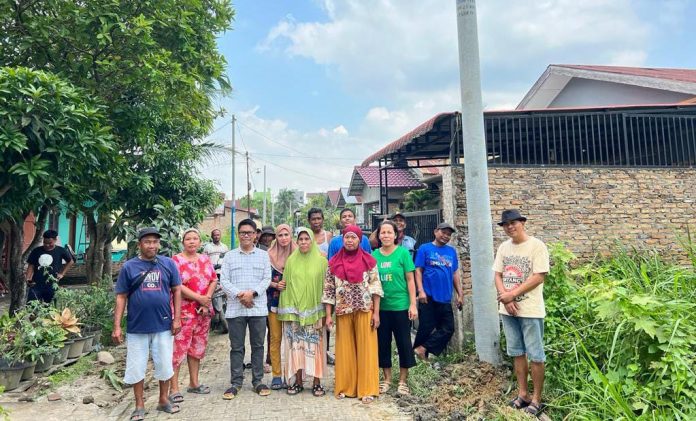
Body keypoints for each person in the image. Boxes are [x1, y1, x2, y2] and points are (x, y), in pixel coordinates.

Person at [112, 227, 182, 420]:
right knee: (136, 366)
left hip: (163, 325)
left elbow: (177, 290)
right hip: (137, 326)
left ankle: (163, 400)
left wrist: (177, 318)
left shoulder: (168, 264)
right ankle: (139, 405)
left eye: (155, 242)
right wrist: (117, 326)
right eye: (147, 242)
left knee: (164, 365)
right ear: (139, 244)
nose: (152, 245)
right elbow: (121, 297)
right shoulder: (129, 267)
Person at [493, 209, 549, 417]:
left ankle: (537, 398)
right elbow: (497, 274)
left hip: (530, 309)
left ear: (522, 223)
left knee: (536, 355)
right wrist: (505, 297)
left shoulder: (536, 246)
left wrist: (512, 294)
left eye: (513, 223)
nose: (510, 227)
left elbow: (538, 277)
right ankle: (523, 394)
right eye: (505, 224)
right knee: (516, 352)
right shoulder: (503, 248)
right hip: (508, 311)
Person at [323, 225, 383, 404]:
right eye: (346, 237)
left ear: (359, 240)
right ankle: (345, 387)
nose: (350, 241)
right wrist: (328, 316)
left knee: (367, 350)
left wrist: (376, 313)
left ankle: (367, 389)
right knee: (344, 351)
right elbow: (328, 291)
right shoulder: (333, 262)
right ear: (342, 240)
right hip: (343, 311)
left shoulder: (370, 261)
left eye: (353, 238)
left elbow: (376, 288)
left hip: (365, 310)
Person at [220, 219, 272, 399]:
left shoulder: (263, 255)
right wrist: (242, 296)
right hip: (236, 309)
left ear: (255, 234)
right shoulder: (229, 256)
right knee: (236, 347)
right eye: (243, 233)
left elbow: (267, 279)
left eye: (250, 232)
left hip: (257, 309)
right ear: (238, 234)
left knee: (258, 345)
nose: (246, 236)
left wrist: (253, 294)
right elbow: (224, 281)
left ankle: (258, 381)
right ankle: (236, 382)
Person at [169, 228, 217, 403]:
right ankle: (174, 389)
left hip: (202, 312)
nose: (191, 241)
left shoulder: (205, 259)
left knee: (197, 349)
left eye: (195, 238)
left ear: (200, 242)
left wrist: (207, 299)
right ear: (183, 242)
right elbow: (176, 285)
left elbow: (213, 279)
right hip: (183, 312)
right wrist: (199, 298)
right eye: (188, 239)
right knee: (178, 350)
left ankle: (194, 383)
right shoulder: (175, 261)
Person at [278, 228, 328, 397]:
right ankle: (298, 381)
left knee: (315, 348)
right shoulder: (291, 261)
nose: (304, 242)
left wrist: (327, 314)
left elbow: (326, 288)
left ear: (312, 240)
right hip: (295, 314)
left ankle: (316, 382)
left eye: (307, 239)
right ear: (297, 242)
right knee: (296, 348)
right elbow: (286, 286)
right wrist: (290, 311)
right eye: (301, 239)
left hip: (315, 313)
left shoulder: (322, 262)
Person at [372, 220, 417, 396]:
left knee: (404, 343)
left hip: (400, 306)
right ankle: (387, 379)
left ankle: (403, 381)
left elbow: (410, 280)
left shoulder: (403, 254)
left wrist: (413, 304)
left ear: (396, 235)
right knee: (383, 344)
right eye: (383, 232)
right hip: (381, 308)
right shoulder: (374, 255)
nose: (386, 236)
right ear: (378, 235)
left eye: (389, 232)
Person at [412, 222, 463, 360]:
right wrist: (420, 291)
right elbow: (418, 271)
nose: (446, 236)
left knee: (448, 328)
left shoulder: (451, 251)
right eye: (443, 232)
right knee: (425, 329)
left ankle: (421, 349)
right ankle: (419, 359)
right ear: (435, 232)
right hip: (428, 296)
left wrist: (460, 294)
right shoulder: (425, 248)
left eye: (449, 234)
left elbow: (455, 274)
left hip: (445, 297)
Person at [266, 223, 297, 389]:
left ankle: (292, 374)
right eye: (280, 235)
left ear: (291, 236)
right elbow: (262, 278)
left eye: (286, 235)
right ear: (276, 238)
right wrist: (274, 284)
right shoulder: (268, 256)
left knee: (293, 339)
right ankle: (277, 375)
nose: (284, 238)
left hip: (295, 304)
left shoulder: (299, 253)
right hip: (274, 303)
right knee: (276, 338)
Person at [25, 229, 74, 303]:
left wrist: (62, 273)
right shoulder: (36, 251)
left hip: (52, 285)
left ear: (55, 240)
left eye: (50, 243)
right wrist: (28, 278)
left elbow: (70, 261)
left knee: (50, 308)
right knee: (32, 306)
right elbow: (31, 265)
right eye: (45, 243)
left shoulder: (61, 250)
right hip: (36, 284)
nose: (47, 245)